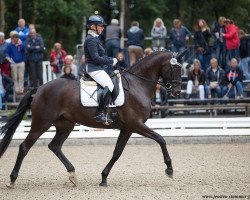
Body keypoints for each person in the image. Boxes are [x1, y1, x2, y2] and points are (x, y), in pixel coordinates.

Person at [84, 14, 118, 124]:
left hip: (98, 68)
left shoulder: (95, 39)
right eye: (100, 26)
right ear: (93, 27)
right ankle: (100, 114)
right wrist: (110, 61)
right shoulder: (91, 40)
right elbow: (96, 58)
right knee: (109, 86)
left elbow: (102, 56)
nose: (102, 28)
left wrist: (112, 59)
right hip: (94, 68)